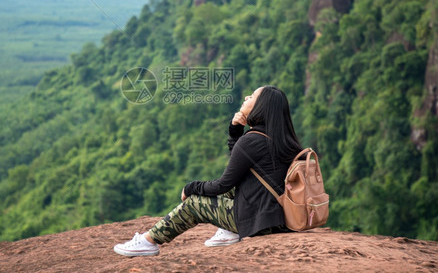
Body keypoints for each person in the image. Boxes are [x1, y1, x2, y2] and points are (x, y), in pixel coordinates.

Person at [113, 85, 303, 256]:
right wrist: (235, 131)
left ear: (260, 108)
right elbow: (243, 167)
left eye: (252, 96)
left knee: (195, 203)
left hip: (259, 221)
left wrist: (190, 188)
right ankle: (229, 230)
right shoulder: (285, 139)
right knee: (235, 184)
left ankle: (148, 242)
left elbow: (222, 185)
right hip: (279, 218)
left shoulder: (253, 141)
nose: (246, 97)